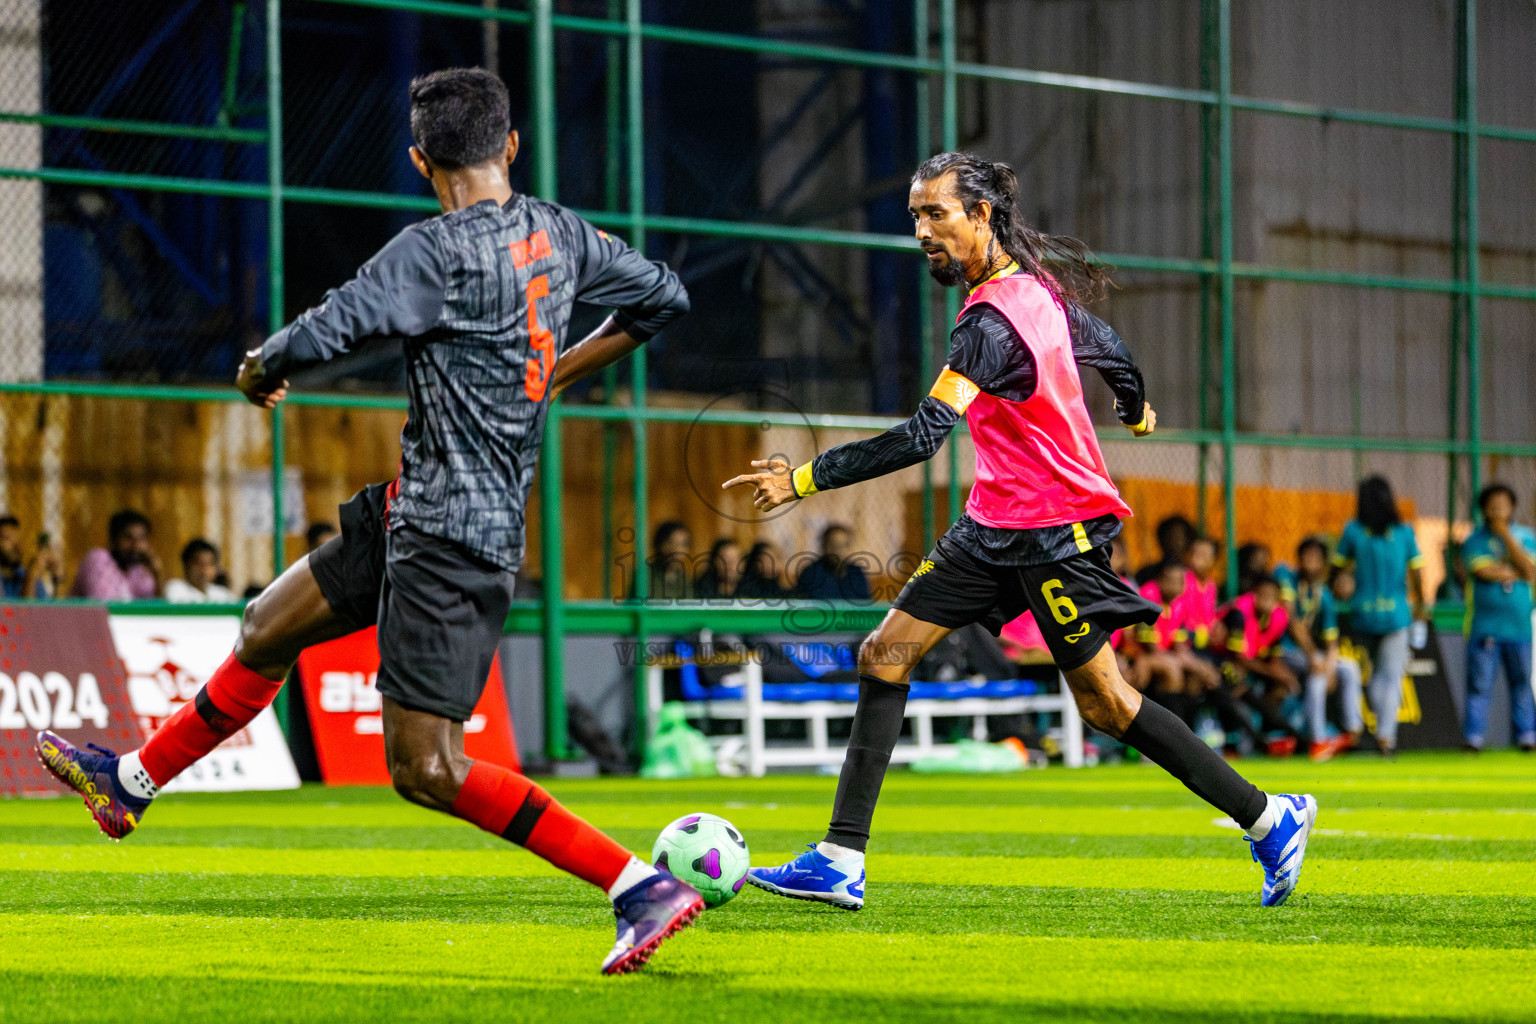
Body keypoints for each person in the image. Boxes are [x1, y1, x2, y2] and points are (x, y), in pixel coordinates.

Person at [37, 67, 698, 975]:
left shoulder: (429, 252)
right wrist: (554, 372)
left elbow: (330, 326)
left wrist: (261, 366)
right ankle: (131, 784)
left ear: (421, 159)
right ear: (510, 146)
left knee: (427, 769)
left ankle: (636, 884)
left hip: (450, 541)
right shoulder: (562, 232)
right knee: (266, 627)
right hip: (411, 513)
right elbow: (664, 295)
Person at [724, 151, 1315, 910]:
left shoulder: (988, 327)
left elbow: (920, 439)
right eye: (914, 216)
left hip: (1054, 532)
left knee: (1107, 704)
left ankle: (1270, 817)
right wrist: (1133, 410)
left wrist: (803, 478)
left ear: (982, 215)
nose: (922, 231)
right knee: (885, 653)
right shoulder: (1039, 295)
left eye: (936, 214)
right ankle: (841, 857)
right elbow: (1113, 349)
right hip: (991, 522)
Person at [1332, 475, 1429, 756]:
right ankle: (1386, 737)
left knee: (1374, 676)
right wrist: (1421, 606)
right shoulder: (1404, 532)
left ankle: (1380, 731)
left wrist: (1343, 584)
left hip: (1363, 612)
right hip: (1397, 615)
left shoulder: (1353, 531)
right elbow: (1418, 572)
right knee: (1391, 676)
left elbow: (1338, 571)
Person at [1460, 483, 1536, 752]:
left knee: (1522, 684)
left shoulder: (1525, 537)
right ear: (1483, 509)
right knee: (1480, 686)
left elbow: (1529, 570)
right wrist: (1509, 569)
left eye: (1503, 504)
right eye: (1492, 504)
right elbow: (1481, 571)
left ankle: (1527, 736)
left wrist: (1505, 534)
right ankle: (1473, 738)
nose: (1498, 509)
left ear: (1513, 507)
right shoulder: (1474, 540)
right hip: (1485, 627)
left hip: (1520, 628)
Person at [1285, 537, 1363, 762]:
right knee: (1317, 675)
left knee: (1349, 667)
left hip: (1311, 654)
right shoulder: (1287, 578)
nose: (1311, 562)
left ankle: (1353, 730)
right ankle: (1318, 740)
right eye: (1306, 556)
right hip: (1286, 651)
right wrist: (1315, 659)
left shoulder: (1324, 595)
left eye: (1316, 558)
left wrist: (1329, 666)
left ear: (1323, 563)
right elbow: (1292, 622)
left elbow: (1332, 641)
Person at [1217, 575, 1302, 756]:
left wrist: (1284, 676)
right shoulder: (1238, 613)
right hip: (1219, 660)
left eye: (1271, 595)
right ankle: (1258, 740)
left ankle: (1272, 733)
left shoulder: (1279, 617)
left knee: (1282, 685)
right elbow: (1237, 657)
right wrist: (1274, 673)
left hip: (1251, 664)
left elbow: (1272, 656)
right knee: (1236, 683)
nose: (1266, 599)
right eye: (1262, 594)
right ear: (1253, 594)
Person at [69, 510, 162, 600]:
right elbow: (103, 606)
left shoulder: (139, 571)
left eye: (142, 538)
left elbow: (156, 611)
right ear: (113, 540)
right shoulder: (98, 559)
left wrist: (157, 575)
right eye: (128, 537)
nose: (136, 545)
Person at [793, 524, 872, 601]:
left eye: (844, 545)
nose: (839, 551)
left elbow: (865, 605)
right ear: (824, 546)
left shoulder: (857, 574)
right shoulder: (812, 573)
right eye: (834, 545)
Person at [0, 515, 59, 599]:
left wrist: (56, 579)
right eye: (8, 538)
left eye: (17, 539)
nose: (16, 545)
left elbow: (49, 611)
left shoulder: (23, 573)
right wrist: (30, 580)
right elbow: (20, 612)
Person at [165, 539, 238, 604]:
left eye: (209, 564)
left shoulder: (222, 593)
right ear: (187, 566)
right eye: (199, 564)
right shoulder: (176, 588)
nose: (204, 570)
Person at [1134, 514, 1195, 586]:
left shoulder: (1195, 576)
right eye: (1170, 537)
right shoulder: (1146, 574)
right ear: (1161, 540)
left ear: (1188, 541)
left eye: (1178, 538)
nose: (1174, 542)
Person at [645, 521, 693, 600]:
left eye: (683, 544)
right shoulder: (645, 575)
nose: (677, 550)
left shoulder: (686, 581)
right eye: (671, 542)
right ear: (659, 544)